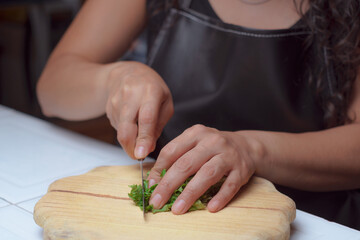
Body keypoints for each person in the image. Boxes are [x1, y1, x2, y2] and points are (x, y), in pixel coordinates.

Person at [36, 0, 360, 230]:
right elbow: (52, 87)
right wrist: (115, 78)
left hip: (317, 217)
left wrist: (252, 150)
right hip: (174, 214)